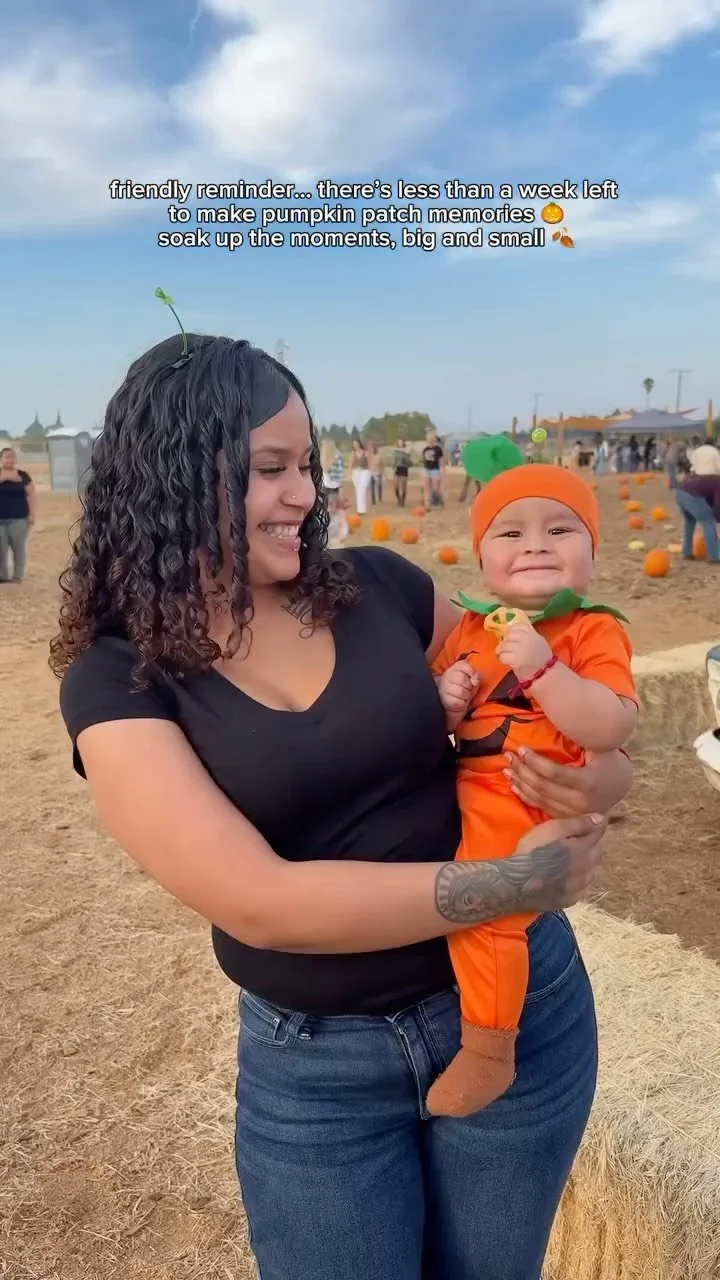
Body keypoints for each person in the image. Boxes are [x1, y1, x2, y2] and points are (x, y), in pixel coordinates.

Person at [52, 333, 632, 1280]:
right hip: (320, 1070)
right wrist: (509, 883)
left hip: (519, 1008)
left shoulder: (379, 586)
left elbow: (551, 716)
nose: (305, 494)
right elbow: (259, 902)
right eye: (270, 469)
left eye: (309, 465)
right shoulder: (117, 680)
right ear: (173, 476)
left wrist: (608, 781)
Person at [427, 456, 638, 1117]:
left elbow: (611, 724)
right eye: (511, 532)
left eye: (560, 530)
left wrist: (545, 671)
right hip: (470, 789)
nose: (536, 545)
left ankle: (489, 1050)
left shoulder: (591, 629)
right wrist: (446, 699)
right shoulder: (469, 627)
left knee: (486, 908)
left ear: (592, 554)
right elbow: (431, 726)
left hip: (528, 797)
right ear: (482, 556)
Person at [0, 446, 35, 583]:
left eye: (12, 457)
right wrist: (4, 478)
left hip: (19, 519)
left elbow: (31, 495)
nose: (10, 460)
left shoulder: (23, 476)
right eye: (7, 457)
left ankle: (17, 576)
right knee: (1, 549)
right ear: (1, 459)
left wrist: (31, 515)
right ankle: (3, 576)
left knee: (18, 549)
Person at [674, 472, 720, 563]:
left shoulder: (715, 479)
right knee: (708, 521)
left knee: (690, 522)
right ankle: (714, 556)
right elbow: (717, 507)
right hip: (692, 496)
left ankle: (687, 552)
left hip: (679, 493)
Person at [320, 440, 347, 548]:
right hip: (333, 489)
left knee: (324, 515)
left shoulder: (322, 458)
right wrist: (341, 493)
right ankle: (333, 540)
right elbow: (339, 477)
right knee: (335, 516)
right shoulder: (337, 457)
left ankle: (326, 541)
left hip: (323, 490)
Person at [421, 429, 444, 506]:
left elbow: (441, 460)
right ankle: (427, 503)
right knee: (426, 487)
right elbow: (424, 460)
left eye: (432, 438)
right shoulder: (425, 449)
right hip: (426, 470)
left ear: (434, 439)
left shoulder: (438, 449)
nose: (430, 440)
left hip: (435, 470)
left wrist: (442, 469)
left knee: (436, 488)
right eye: (429, 438)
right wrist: (422, 470)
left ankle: (438, 499)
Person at [349, 439, 371, 514]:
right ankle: (360, 509)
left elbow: (369, 462)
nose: (355, 445)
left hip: (364, 472)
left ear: (359, 444)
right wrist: (349, 474)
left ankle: (362, 510)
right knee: (358, 490)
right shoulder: (353, 453)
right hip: (355, 472)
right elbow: (350, 464)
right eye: (354, 444)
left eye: (356, 443)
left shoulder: (365, 452)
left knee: (362, 489)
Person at [393, 437, 411, 506]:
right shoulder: (396, 451)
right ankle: (399, 499)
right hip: (397, 468)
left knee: (403, 485)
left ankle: (403, 500)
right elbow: (395, 460)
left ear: (403, 443)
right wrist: (394, 467)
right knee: (395, 485)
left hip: (404, 468)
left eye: (401, 442)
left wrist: (397, 449)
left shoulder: (407, 450)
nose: (400, 443)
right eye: (398, 442)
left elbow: (408, 458)